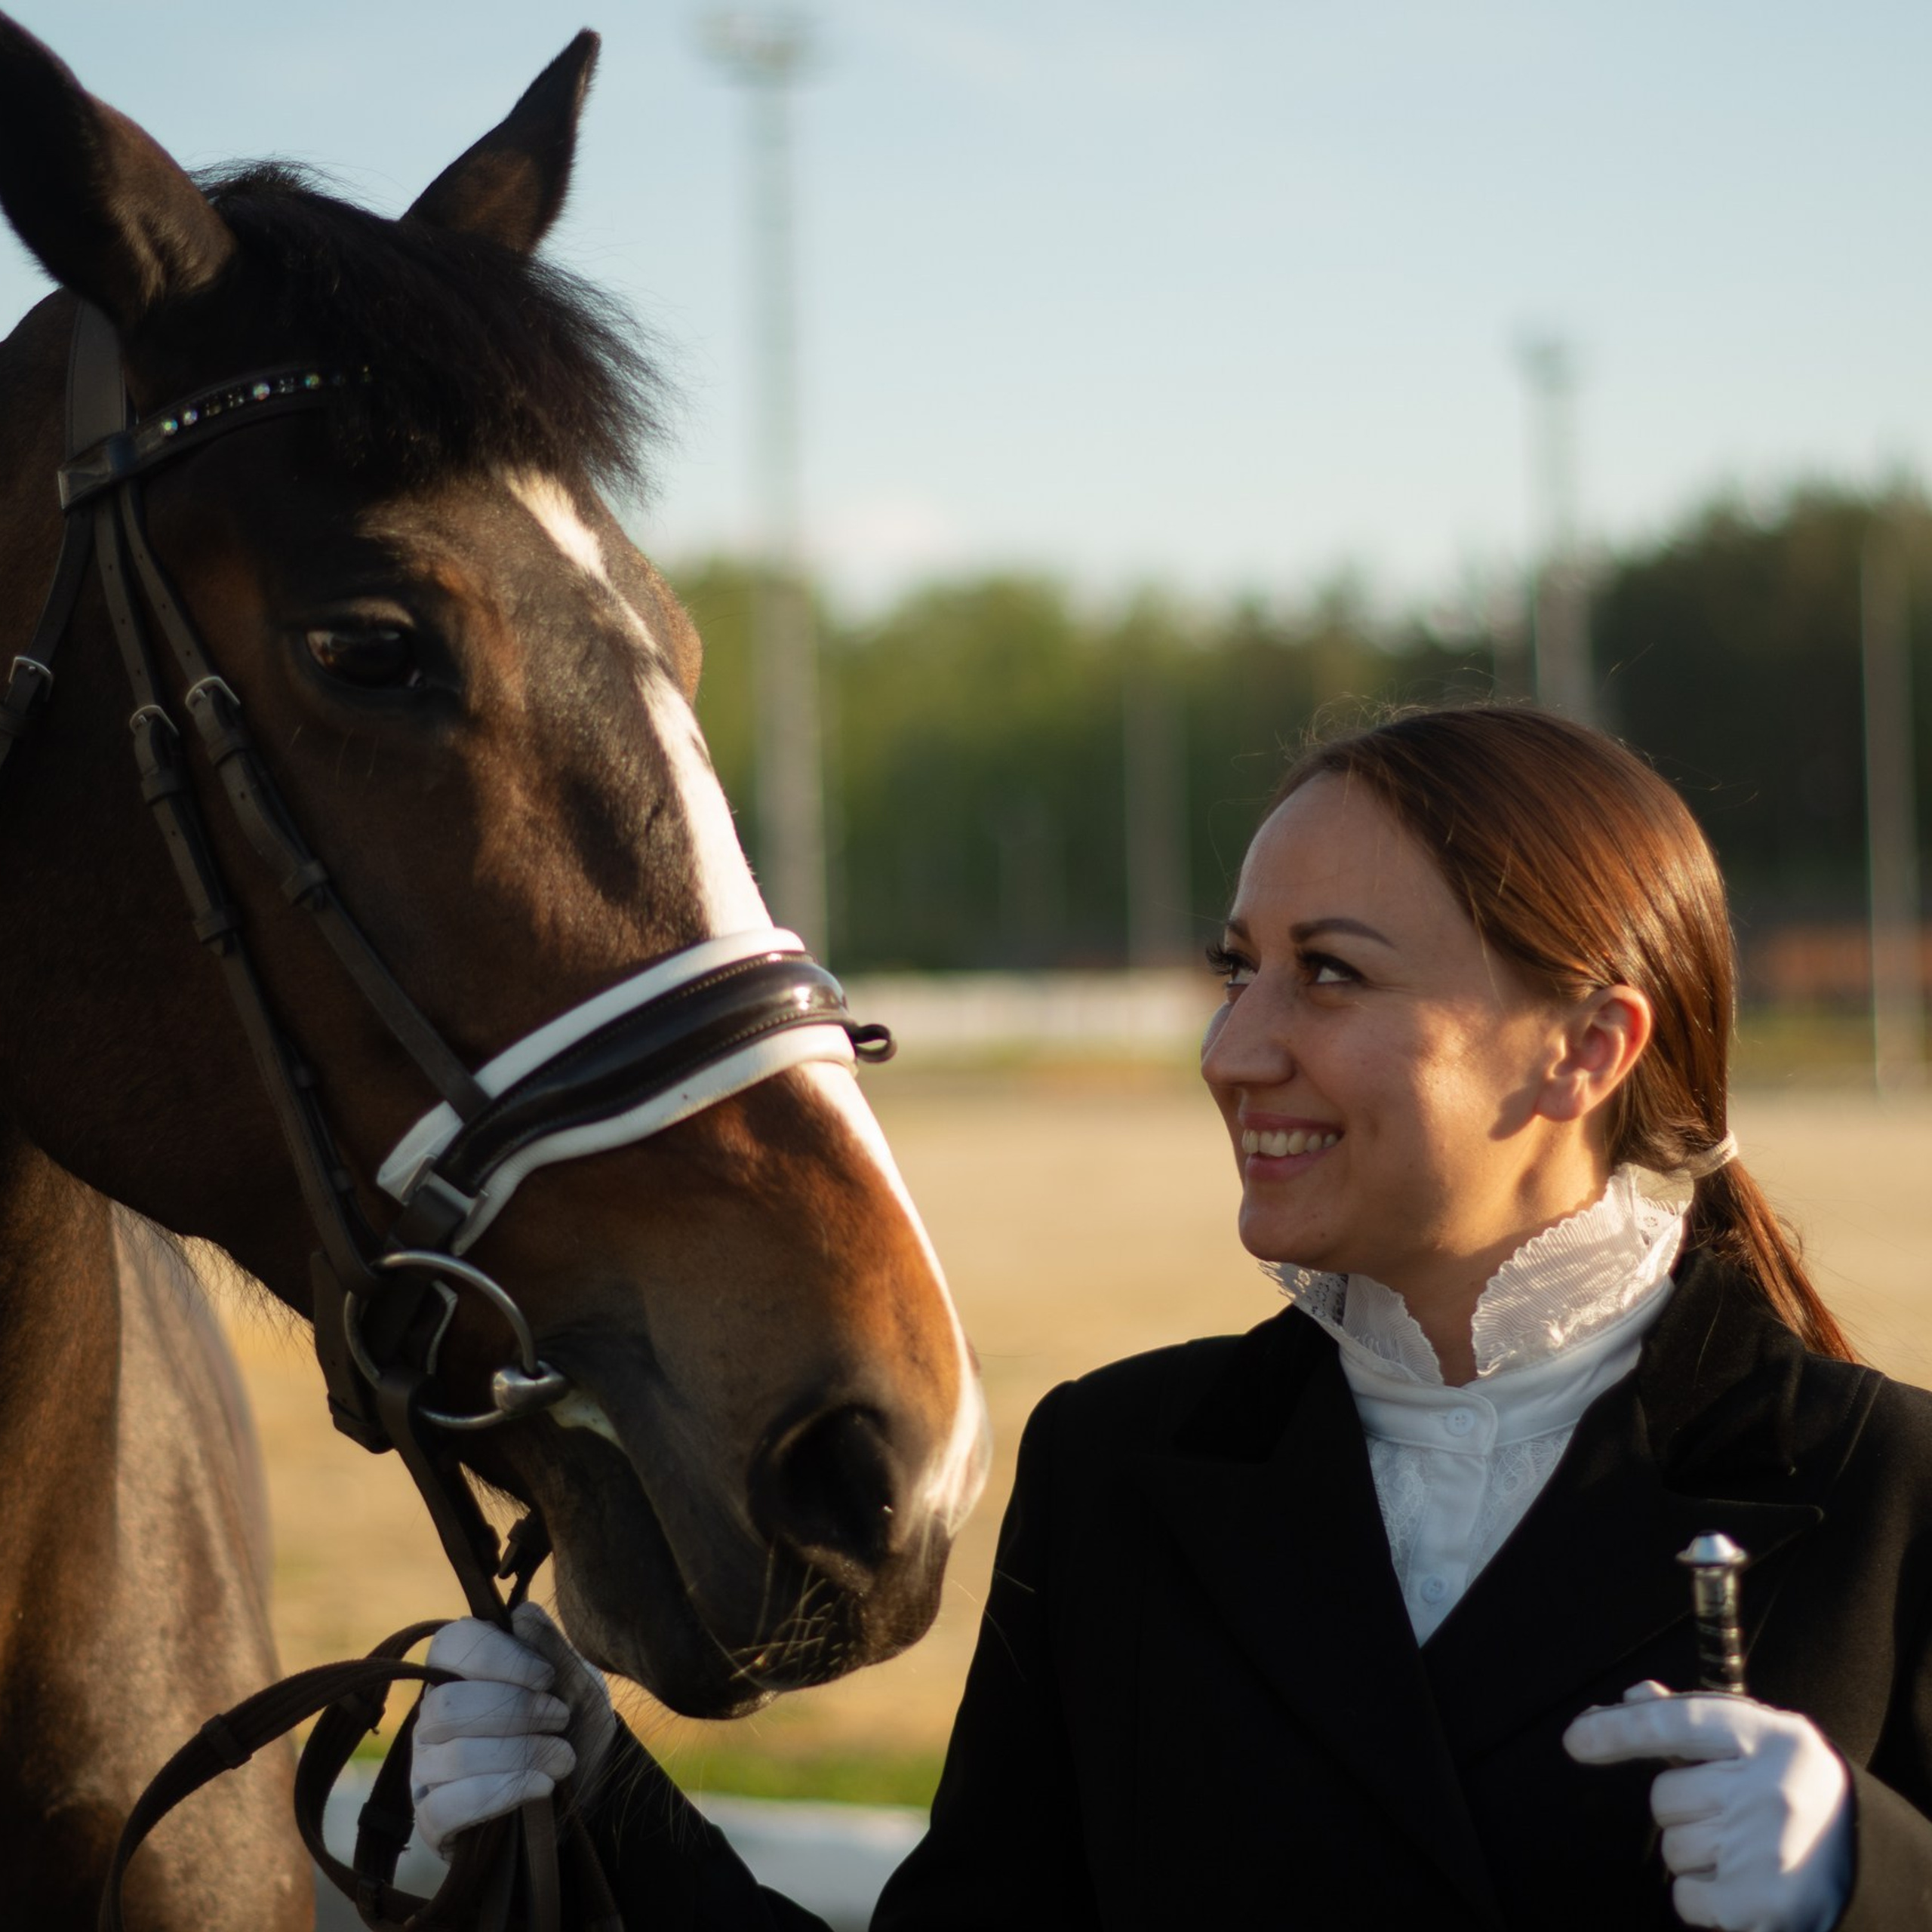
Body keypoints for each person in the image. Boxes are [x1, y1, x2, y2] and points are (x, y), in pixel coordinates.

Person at [411, 706, 1932, 1929]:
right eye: (1236, 968)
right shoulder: (1116, 1468)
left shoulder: (1887, 1494)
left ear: (1584, 1048)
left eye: (1326, 974)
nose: (1232, 1047)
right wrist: (594, 1804)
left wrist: (1867, 1884)